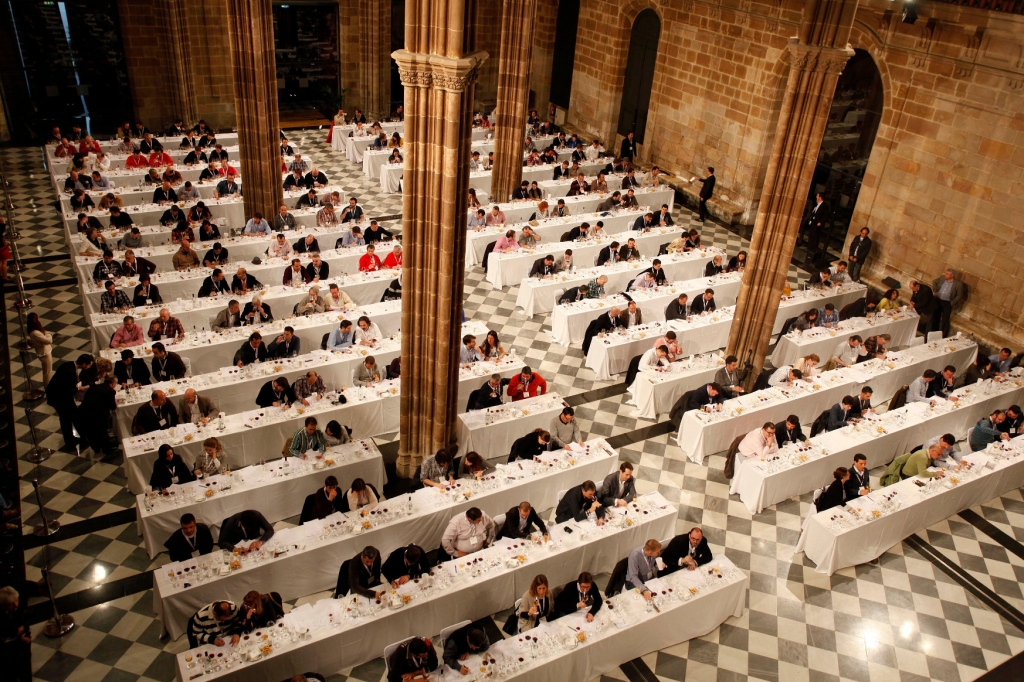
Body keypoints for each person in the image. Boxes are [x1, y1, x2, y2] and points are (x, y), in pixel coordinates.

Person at [46, 353, 93, 451]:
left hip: (60, 396)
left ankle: (71, 439)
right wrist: (79, 389)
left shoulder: (69, 364)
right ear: (84, 364)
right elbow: (66, 389)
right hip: (59, 398)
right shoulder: (69, 371)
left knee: (68, 418)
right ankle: (76, 440)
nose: (89, 367)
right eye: (89, 365)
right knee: (69, 417)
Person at [76, 374, 119, 456]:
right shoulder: (110, 391)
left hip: (84, 412)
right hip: (98, 415)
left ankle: (96, 448)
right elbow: (112, 407)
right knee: (102, 432)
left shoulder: (95, 387)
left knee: (91, 432)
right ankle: (107, 450)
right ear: (113, 383)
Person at [932, 268, 967, 337]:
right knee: (935, 316)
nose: (945, 275)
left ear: (952, 276)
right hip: (938, 300)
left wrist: (952, 302)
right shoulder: (942, 278)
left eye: (947, 274)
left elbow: (960, 295)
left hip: (947, 303)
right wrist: (935, 290)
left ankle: (942, 335)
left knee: (945, 320)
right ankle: (933, 332)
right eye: (946, 273)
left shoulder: (958, 284)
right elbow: (934, 281)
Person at [26, 312, 54, 385]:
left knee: (48, 372)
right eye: (38, 318)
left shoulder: (35, 331)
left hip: (45, 352)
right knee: (47, 374)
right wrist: (48, 334)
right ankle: (48, 389)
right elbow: (49, 340)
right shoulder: (35, 333)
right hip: (45, 354)